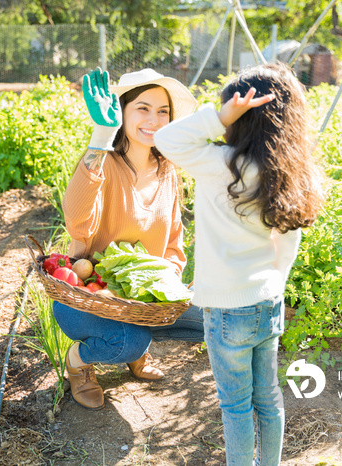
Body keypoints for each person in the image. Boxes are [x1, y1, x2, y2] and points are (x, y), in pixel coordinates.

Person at [154, 62, 325, 465]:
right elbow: (290, 239)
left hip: (227, 310)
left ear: (240, 119)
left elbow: (166, 139)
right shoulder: (282, 172)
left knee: (235, 405)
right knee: (268, 396)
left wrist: (217, 117)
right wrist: (273, 285)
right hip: (267, 301)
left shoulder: (221, 165)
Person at [54, 67, 204, 410]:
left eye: (162, 111)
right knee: (127, 340)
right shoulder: (104, 164)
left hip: (139, 301)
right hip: (88, 298)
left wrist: (165, 288)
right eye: (143, 108)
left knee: (217, 317)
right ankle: (78, 362)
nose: (154, 118)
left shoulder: (168, 171)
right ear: (121, 112)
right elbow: (76, 219)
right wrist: (100, 137)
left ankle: (140, 341)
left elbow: (174, 245)